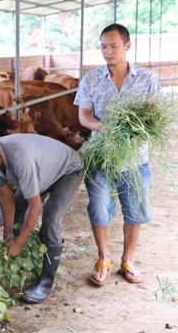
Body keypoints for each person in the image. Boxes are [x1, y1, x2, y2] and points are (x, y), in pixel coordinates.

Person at [74, 23, 164, 286]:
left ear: (127, 46)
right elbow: (83, 116)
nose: (107, 51)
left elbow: (155, 115)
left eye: (113, 46)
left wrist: (139, 126)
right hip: (100, 157)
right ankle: (104, 258)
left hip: (135, 158)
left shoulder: (147, 79)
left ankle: (127, 259)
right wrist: (103, 127)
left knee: (134, 211)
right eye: (103, 46)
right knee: (99, 207)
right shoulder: (91, 79)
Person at [0, 133, 84, 304]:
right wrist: (8, 232)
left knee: (50, 218)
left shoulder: (21, 159)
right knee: (18, 211)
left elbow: (36, 206)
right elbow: (5, 195)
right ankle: (23, 259)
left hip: (67, 170)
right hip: (42, 171)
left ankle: (46, 282)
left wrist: (18, 242)